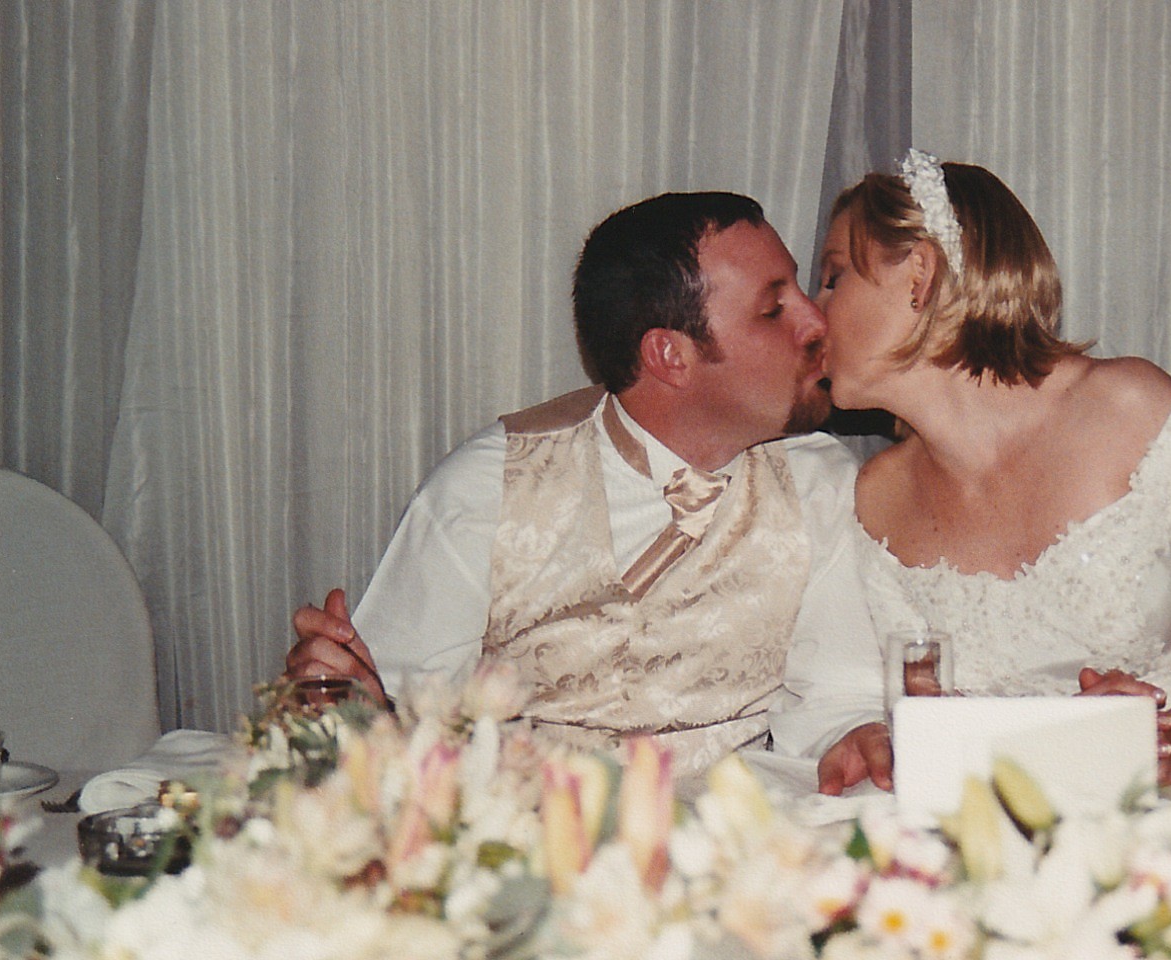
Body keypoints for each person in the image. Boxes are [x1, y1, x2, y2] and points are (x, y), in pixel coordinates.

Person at [286, 191, 892, 786]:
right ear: (670, 355)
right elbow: (402, 710)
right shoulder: (489, 488)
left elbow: (835, 697)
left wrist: (854, 736)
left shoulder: (820, 481)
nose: (817, 321)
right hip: (530, 831)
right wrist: (361, 706)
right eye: (773, 309)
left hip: (740, 828)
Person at [813, 151, 1171, 789]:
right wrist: (893, 738)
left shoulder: (1131, 408)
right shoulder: (878, 499)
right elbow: (936, 714)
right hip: (1027, 808)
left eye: (833, 278)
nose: (814, 312)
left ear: (919, 276)